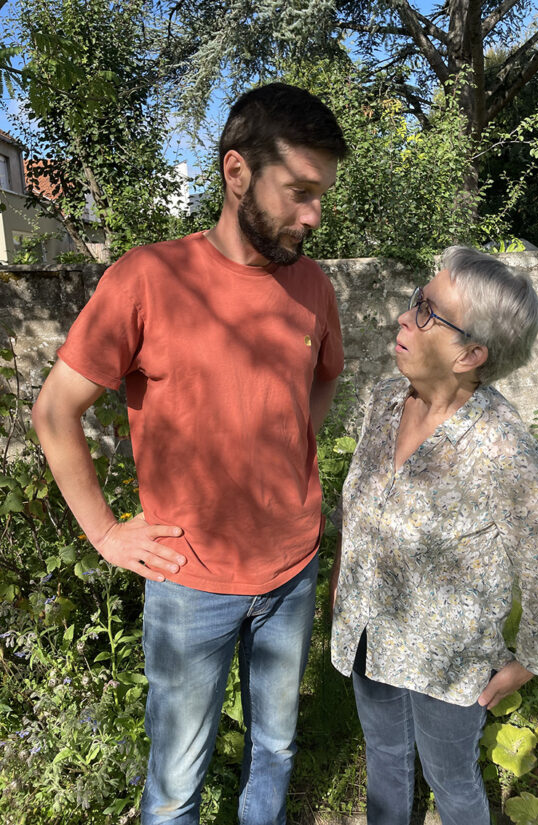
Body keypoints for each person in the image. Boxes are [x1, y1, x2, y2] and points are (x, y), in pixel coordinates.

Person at [32, 82, 347, 825]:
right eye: (300, 192)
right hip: (190, 582)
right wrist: (106, 533)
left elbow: (324, 375)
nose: (313, 215)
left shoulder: (312, 285)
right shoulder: (148, 279)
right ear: (236, 172)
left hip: (292, 569)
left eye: (321, 196)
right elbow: (54, 411)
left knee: (275, 747)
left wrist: (291, 457)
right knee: (175, 783)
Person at [330, 246, 538, 825]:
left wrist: (534, 660)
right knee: (384, 759)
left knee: (452, 782)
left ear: (470, 354)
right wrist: (343, 583)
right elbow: (359, 503)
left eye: (427, 311)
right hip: (370, 634)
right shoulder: (384, 401)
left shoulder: (501, 445)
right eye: (415, 301)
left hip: (449, 664)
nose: (404, 317)